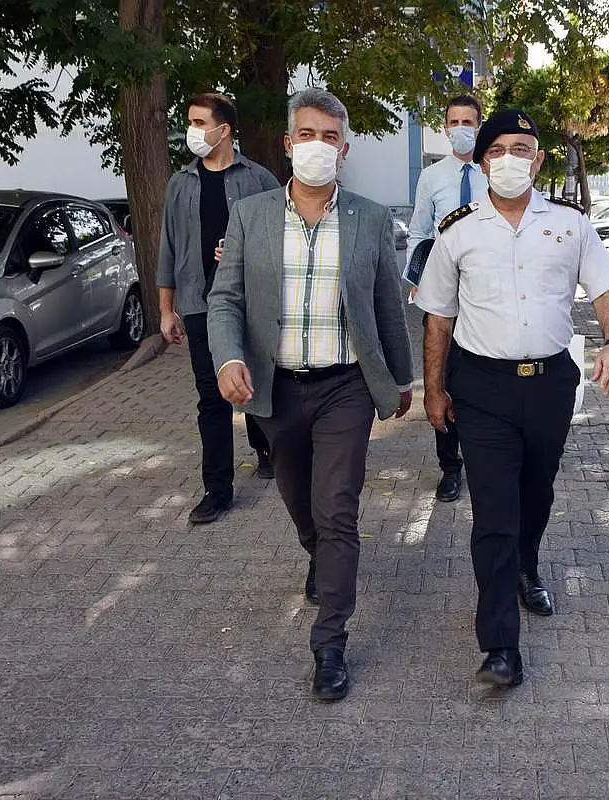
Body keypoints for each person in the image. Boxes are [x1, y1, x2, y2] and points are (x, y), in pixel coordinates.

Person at [207, 88, 414, 701]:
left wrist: (400, 379)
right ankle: (317, 556)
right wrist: (229, 358)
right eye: (307, 135)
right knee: (301, 501)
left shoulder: (371, 219)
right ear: (287, 143)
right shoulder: (251, 216)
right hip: (277, 388)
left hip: (346, 387)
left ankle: (330, 644)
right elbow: (226, 299)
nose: (317, 146)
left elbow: (387, 305)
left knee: (338, 509)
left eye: (329, 137)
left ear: (344, 150)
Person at [416, 108, 609, 686]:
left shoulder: (570, 224)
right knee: (493, 512)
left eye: (523, 149)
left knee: (536, 493)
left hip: (550, 384)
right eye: (500, 149)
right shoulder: (458, 229)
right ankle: (499, 646)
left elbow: (607, 288)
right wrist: (433, 390)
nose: (511, 159)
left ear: (538, 161)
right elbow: (438, 318)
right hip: (481, 388)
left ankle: (526, 568)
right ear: (484, 161)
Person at [157, 93, 280, 526]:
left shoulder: (259, 179)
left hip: (251, 301)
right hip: (199, 304)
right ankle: (217, 490)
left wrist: (244, 253)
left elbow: (282, 238)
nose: (191, 131)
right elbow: (168, 247)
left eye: (198, 122)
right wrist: (166, 309)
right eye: (189, 122)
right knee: (211, 397)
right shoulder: (180, 184)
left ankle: (266, 449)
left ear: (223, 130)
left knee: (256, 381)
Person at [404, 95, 488, 503]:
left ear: (479, 126)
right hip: (443, 293)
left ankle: (485, 456)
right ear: (444, 128)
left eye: (467, 122)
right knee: (442, 378)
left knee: (483, 377)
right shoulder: (432, 176)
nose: (460, 129)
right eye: (453, 122)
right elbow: (419, 232)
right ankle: (450, 467)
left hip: (486, 294)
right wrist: (418, 279)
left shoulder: (495, 171)